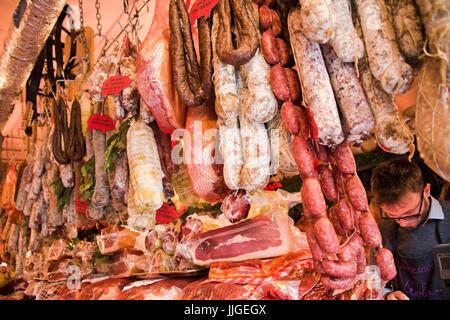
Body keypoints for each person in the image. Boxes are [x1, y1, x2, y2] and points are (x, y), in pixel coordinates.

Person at [370, 158, 450, 300]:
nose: (402, 223)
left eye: (409, 214)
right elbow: (373, 284)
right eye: (392, 216)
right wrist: (387, 294)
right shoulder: (382, 232)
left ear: (426, 190)